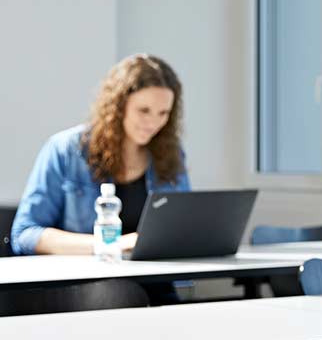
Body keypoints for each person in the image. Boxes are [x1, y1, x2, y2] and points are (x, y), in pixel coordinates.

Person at [11, 54, 190, 256]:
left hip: (158, 278)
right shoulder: (65, 150)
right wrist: (112, 244)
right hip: (90, 278)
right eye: (144, 110)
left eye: (163, 113)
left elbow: (181, 229)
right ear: (119, 106)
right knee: (122, 291)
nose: (153, 122)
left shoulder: (171, 154)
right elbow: (25, 234)